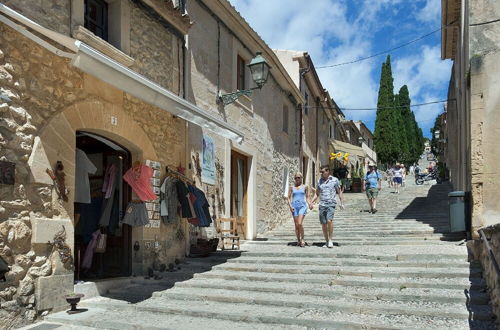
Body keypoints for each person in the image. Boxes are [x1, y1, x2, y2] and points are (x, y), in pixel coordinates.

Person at [310, 165, 344, 248]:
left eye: (323, 171)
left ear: (328, 171)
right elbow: (317, 193)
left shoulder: (335, 180)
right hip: (322, 204)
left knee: (329, 220)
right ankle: (326, 241)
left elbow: (339, 192)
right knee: (324, 224)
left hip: (331, 203)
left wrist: (341, 203)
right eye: (321, 172)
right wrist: (311, 202)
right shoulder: (319, 181)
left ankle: (331, 240)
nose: (321, 173)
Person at [287, 172, 312, 247]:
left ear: (302, 178)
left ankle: (302, 239)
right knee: (296, 225)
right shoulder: (292, 187)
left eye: (298, 177)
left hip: (302, 206)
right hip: (294, 207)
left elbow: (307, 197)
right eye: (295, 178)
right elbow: (288, 197)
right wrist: (290, 206)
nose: (297, 179)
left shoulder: (305, 187)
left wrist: (310, 204)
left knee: (300, 223)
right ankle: (298, 240)